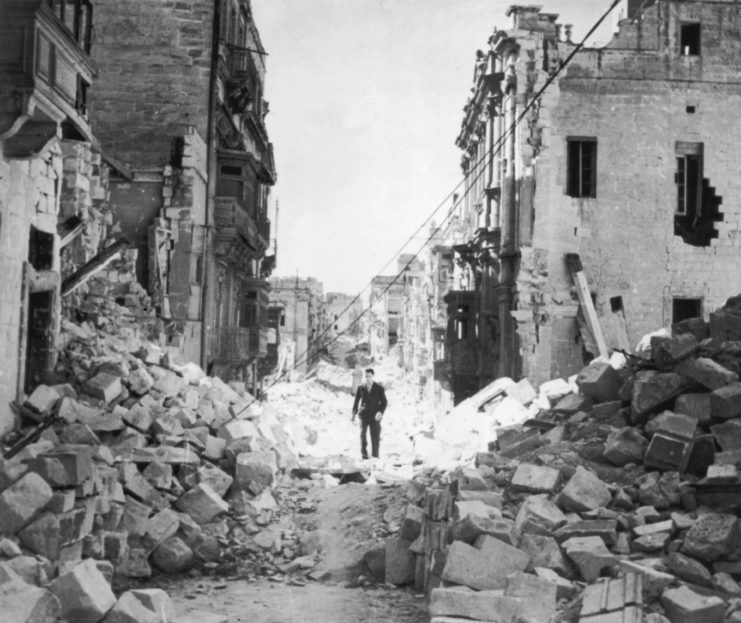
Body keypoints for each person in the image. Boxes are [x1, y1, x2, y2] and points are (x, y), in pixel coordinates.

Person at [351, 368, 387, 460]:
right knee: (363, 435)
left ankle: (375, 455)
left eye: (369, 376)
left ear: (373, 377)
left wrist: (380, 412)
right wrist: (354, 412)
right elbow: (356, 401)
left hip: (374, 416)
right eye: (366, 376)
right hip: (363, 415)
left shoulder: (379, 388)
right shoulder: (361, 387)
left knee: (375, 436)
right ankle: (364, 454)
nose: (367, 378)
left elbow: (384, 402)